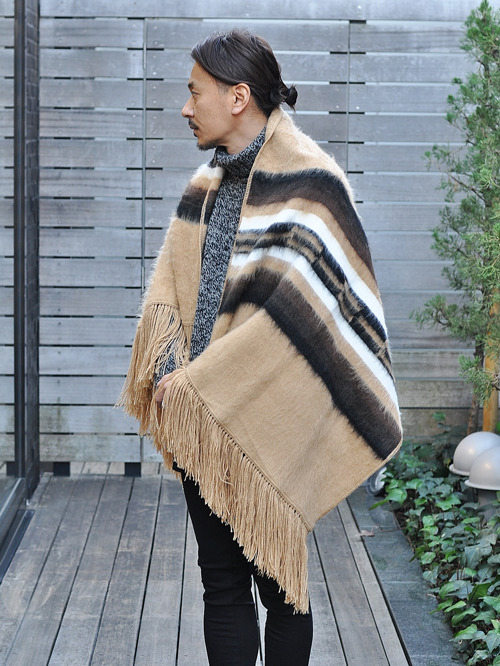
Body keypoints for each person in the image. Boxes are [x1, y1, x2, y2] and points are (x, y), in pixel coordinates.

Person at [119, 29, 402, 665]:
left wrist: (202, 382)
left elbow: (307, 317)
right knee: (220, 582)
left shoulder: (314, 186)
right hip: (198, 417)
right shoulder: (206, 184)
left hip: (270, 412)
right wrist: (169, 371)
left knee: (280, 588)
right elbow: (171, 291)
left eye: (195, 93)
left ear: (238, 96)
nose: (186, 108)